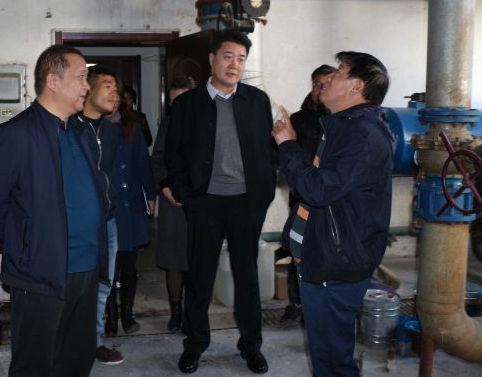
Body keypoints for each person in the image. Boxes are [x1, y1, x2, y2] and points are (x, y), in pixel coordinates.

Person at [0, 45, 107, 377]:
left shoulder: (82, 131)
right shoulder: (15, 134)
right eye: (81, 77)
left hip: (86, 268)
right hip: (40, 274)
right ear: (53, 81)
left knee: (76, 359)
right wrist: (23, 247)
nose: (87, 86)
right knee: (35, 364)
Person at [273, 51, 393, 377]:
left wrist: (288, 145)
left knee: (332, 359)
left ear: (356, 86)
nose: (327, 79)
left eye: (338, 72)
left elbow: (317, 190)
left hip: (337, 263)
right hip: (324, 256)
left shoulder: (362, 135)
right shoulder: (344, 127)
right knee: (325, 353)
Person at [165, 28, 278, 374]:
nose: (234, 65)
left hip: (246, 203)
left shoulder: (257, 101)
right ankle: (194, 345)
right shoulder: (187, 104)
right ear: (212, 59)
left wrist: (264, 192)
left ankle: (251, 347)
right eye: (228, 56)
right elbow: (174, 154)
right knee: (200, 278)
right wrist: (186, 194)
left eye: (241, 59)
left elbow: (269, 150)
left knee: (247, 279)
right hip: (206, 203)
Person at [277, 64, 336, 327]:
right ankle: (296, 304)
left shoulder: (341, 120)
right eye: (316, 84)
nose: (320, 89)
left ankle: (324, 305)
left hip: (332, 200)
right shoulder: (298, 121)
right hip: (302, 198)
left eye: (326, 84)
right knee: (298, 250)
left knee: (329, 251)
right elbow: (283, 156)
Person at [72, 66, 124, 365]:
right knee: (75, 285)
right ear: (88, 88)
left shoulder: (112, 131)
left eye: (116, 88)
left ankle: (94, 342)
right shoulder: (70, 128)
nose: (114, 93)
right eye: (107, 86)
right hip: (78, 224)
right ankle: (70, 342)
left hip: (108, 222)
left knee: (103, 284)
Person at [151, 75, 196, 332]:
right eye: (173, 102)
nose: (177, 106)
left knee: (197, 258)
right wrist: (165, 187)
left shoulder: (207, 122)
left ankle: (193, 312)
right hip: (173, 201)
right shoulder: (168, 125)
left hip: (200, 203)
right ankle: (176, 311)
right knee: (174, 258)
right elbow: (158, 159)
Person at [112, 92, 157, 335]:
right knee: (107, 266)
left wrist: (150, 194)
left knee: (129, 264)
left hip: (130, 204)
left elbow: (142, 163)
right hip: (106, 206)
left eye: (115, 92)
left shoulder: (132, 126)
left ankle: (127, 314)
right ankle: (110, 316)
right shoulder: (89, 125)